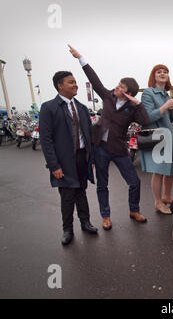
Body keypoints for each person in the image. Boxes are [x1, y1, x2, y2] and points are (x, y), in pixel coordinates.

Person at [68, 45, 150, 230]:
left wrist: (138, 103)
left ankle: (134, 210)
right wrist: (81, 58)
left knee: (134, 182)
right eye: (118, 84)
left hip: (119, 149)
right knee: (102, 184)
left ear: (128, 92)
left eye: (121, 86)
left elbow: (145, 121)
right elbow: (94, 80)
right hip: (100, 148)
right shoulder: (107, 97)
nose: (117, 86)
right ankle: (106, 216)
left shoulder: (132, 108)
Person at [39, 71, 98, 245]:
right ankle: (67, 229)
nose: (75, 85)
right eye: (71, 82)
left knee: (81, 191)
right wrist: (53, 166)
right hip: (63, 161)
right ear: (60, 85)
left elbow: (88, 135)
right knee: (67, 196)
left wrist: (91, 159)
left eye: (75, 82)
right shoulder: (49, 108)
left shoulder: (81, 107)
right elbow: (46, 139)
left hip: (82, 158)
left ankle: (85, 223)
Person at [140, 65, 173, 215]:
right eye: (159, 72)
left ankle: (167, 196)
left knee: (170, 169)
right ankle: (157, 202)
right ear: (153, 76)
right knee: (159, 171)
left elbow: (171, 117)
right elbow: (147, 117)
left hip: (169, 135)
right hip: (157, 135)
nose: (163, 74)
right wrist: (166, 106)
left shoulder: (166, 95)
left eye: (165, 72)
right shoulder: (148, 93)